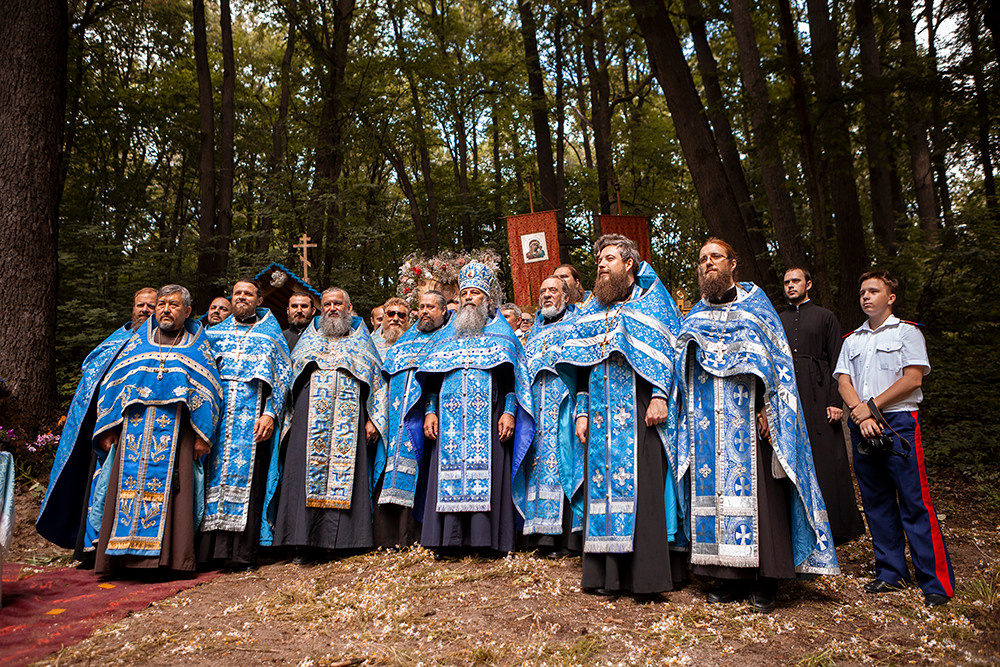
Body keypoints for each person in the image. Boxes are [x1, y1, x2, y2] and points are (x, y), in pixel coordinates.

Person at [675, 239, 838, 613]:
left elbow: (777, 367)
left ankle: (767, 579)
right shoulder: (694, 317)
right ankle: (727, 577)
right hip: (706, 425)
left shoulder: (756, 310)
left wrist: (768, 407)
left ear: (734, 263)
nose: (708, 264)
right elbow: (679, 371)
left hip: (750, 420)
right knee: (712, 500)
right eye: (702, 259)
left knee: (761, 500)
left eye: (715, 257)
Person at [558, 235, 684, 597]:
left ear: (629, 264)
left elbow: (668, 354)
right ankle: (606, 577)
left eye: (609, 258)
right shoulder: (591, 311)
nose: (601, 264)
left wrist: (660, 396)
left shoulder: (653, 302)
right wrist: (581, 413)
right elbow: (579, 368)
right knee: (602, 492)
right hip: (598, 417)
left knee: (643, 491)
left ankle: (645, 578)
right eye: (599, 259)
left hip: (640, 410)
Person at [835, 270, 954, 608]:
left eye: (873, 291)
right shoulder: (852, 340)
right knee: (876, 502)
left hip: (898, 421)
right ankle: (891, 574)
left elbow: (913, 378)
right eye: (862, 292)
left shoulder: (908, 333)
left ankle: (935, 582)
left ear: (891, 298)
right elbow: (843, 379)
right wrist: (859, 412)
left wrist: (871, 408)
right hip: (862, 421)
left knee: (915, 502)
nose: (865, 297)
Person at [91, 285, 223, 576]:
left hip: (177, 433)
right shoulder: (138, 343)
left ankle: (167, 561)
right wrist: (109, 427)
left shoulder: (197, 345)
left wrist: (203, 434)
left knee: (175, 495)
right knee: (123, 491)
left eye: (173, 305)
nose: (165, 309)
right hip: (132, 433)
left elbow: (211, 389)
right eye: (162, 304)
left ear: (187, 312)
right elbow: (113, 385)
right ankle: (119, 559)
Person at [409, 263, 534, 557]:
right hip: (448, 422)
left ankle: (485, 541)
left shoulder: (502, 335)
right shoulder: (444, 337)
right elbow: (430, 381)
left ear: (487, 300)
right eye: (464, 292)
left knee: (488, 477)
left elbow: (513, 381)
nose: (468, 298)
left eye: (475, 293)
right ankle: (447, 542)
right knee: (446, 477)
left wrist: (510, 412)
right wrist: (429, 411)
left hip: (489, 421)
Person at [266, 287, 387, 562]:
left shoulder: (362, 343)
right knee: (301, 478)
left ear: (349, 307)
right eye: (328, 304)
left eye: (338, 303)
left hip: (350, 421)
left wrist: (373, 420)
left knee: (348, 477)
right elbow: (288, 382)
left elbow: (378, 387)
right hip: (307, 422)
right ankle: (302, 543)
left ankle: (344, 542)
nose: (332, 308)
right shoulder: (307, 343)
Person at [37, 287, 157, 560]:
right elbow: (92, 374)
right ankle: (90, 547)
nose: (145, 311)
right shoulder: (116, 339)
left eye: (151, 306)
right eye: (141, 305)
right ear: (133, 307)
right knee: (94, 484)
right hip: (100, 426)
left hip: (134, 427)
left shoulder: (156, 343)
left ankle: (118, 549)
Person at [198, 279, 292, 570]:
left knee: (251, 483)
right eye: (237, 293)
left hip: (252, 421)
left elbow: (282, 377)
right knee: (209, 480)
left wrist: (269, 414)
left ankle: (242, 554)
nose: (241, 298)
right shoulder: (213, 335)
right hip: (217, 419)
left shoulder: (270, 336)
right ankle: (207, 553)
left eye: (247, 294)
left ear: (259, 300)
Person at [780, 268, 864, 546]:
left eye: (796, 281)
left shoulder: (826, 317)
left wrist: (834, 401)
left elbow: (839, 361)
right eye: (787, 282)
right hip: (790, 393)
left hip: (819, 392)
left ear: (809, 284)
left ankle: (837, 527)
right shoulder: (779, 319)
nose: (791, 286)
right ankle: (798, 524)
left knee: (827, 457)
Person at [373, 290, 449, 549]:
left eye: (431, 307)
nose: (425, 311)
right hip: (394, 415)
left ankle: (415, 535)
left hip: (425, 415)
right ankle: (388, 538)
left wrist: (430, 408)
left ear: (443, 311)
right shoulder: (404, 340)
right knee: (390, 467)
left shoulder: (445, 339)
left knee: (420, 467)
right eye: (422, 307)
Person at [515, 276, 582, 557]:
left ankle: (567, 539)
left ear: (566, 297)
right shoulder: (534, 334)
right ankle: (540, 536)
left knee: (565, 463)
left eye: (553, 290)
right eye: (542, 291)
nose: (546, 295)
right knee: (537, 468)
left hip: (565, 406)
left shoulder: (577, 325)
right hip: (536, 410)